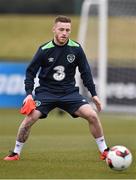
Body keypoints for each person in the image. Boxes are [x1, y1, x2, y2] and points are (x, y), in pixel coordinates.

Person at [4, 15, 109, 161]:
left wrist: (94, 94)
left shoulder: (76, 49)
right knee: (29, 120)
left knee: (92, 115)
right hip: (46, 93)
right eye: (61, 29)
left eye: (67, 30)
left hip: (69, 93)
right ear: (54, 29)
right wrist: (29, 94)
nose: (64, 33)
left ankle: (104, 151)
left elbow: (86, 72)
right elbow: (30, 72)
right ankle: (15, 153)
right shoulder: (44, 49)